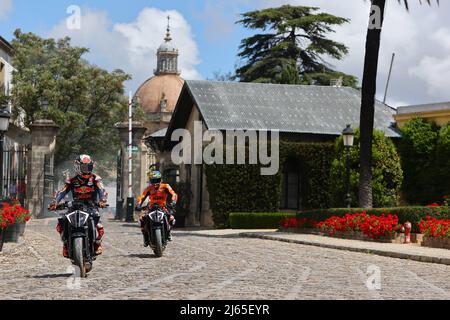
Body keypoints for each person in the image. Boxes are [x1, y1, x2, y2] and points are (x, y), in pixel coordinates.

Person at [49, 155, 108, 258]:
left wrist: (102, 200)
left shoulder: (95, 179)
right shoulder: (72, 181)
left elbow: (101, 190)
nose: (87, 170)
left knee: (99, 226)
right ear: (77, 167)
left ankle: (97, 244)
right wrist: (55, 202)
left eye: (89, 167)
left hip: (91, 206)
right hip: (75, 206)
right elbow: (62, 192)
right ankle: (66, 245)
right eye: (84, 167)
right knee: (62, 221)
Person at [136, 170, 177, 246]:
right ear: (150, 181)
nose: (155, 183)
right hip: (151, 207)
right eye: (153, 180)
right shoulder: (149, 188)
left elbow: (173, 194)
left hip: (163, 207)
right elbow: (142, 197)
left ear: (160, 179)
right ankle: (145, 237)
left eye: (157, 180)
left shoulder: (165, 186)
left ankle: (168, 232)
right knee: (141, 219)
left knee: (171, 218)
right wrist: (138, 204)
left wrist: (173, 202)